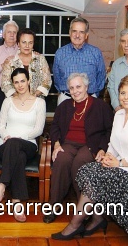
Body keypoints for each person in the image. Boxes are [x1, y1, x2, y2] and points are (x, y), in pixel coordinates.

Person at [51, 75, 128, 239]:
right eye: (123, 93)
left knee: (97, 177)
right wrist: (107, 155)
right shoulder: (119, 115)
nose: (126, 97)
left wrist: (118, 163)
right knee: (86, 170)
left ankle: (74, 224)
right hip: (123, 165)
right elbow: (113, 142)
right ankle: (97, 218)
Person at [43, 72, 113, 224]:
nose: (75, 91)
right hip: (67, 143)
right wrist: (56, 144)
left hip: (90, 145)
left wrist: (102, 148)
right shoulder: (64, 106)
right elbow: (54, 127)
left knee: (79, 163)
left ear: (86, 87)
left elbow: (109, 130)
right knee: (61, 159)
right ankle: (54, 205)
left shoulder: (100, 106)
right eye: (72, 88)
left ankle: (84, 209)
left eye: (78, 87)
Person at [0, 68, 46, 222]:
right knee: (18, 157)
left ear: (28, 81)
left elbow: (38, 129)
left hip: (28, 144)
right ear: (13, 84)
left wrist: (17, 137)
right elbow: (0, 126)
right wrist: (6, 136)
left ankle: (2, 186)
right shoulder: (7, 101)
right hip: (5, 143)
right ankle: (17, 202)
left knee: (17, 146)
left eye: (23, 81)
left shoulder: (39, 103)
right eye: (16, 82)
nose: (20, 85)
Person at [53, 17, 106, 104]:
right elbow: (57, 79)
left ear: (86, 35)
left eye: (81, 32)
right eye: (74, 31)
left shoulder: (95, 52)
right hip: (66, 99)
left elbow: (101, 77)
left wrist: (94, 94)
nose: (77, 35)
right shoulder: (60, 53)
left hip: (90, 100)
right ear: (70, 33)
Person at [1, 28, 52, 99]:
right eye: (24, 42)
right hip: (15, 101)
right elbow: (5, 84)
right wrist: (18, 97)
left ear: (33, 44)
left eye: (30, 42)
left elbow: (47, 81)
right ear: (18, 43)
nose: (27, 46)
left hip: (36, 101)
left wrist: (34, 96)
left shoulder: (40, 59)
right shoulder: (10, 61)